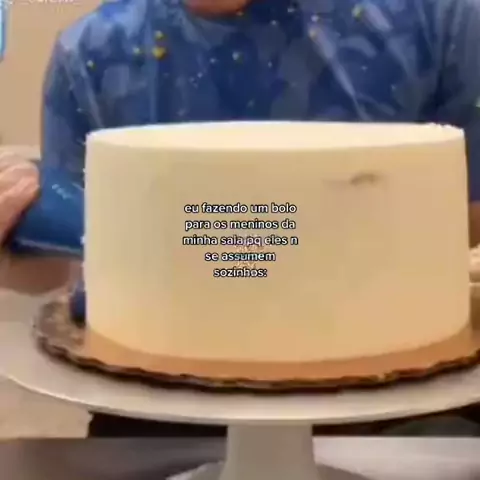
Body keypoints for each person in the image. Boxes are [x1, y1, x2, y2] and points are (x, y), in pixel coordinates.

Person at [4, 0, 480, 437]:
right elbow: (76, 260)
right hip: (155, 415)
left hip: (405, 417)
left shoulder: (437, 19)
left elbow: (465, 220)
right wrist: (15, 232)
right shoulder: (93, 53)